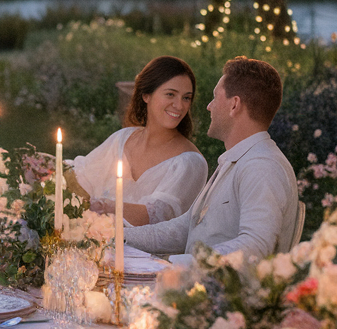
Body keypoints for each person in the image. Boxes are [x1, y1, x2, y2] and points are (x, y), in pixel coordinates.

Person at [123, 55, 299, 262]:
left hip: (220, 293)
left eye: (216, 97)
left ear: (234, 105)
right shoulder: (238, 160)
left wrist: (175, 265)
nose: (209, 106)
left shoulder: (262, 167)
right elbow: (184, 229)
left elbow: (256, 246)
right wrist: (117, 236)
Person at [70, 56, 209, 226]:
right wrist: (44, 168)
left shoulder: (189, 163)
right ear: (146, 95)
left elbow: (158, 216)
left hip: (153, 252)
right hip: (98, 246)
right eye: (170, 94)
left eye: (186, 98)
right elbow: (81, 178)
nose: (179, 106)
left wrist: (106, 207)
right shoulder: (122, 139)